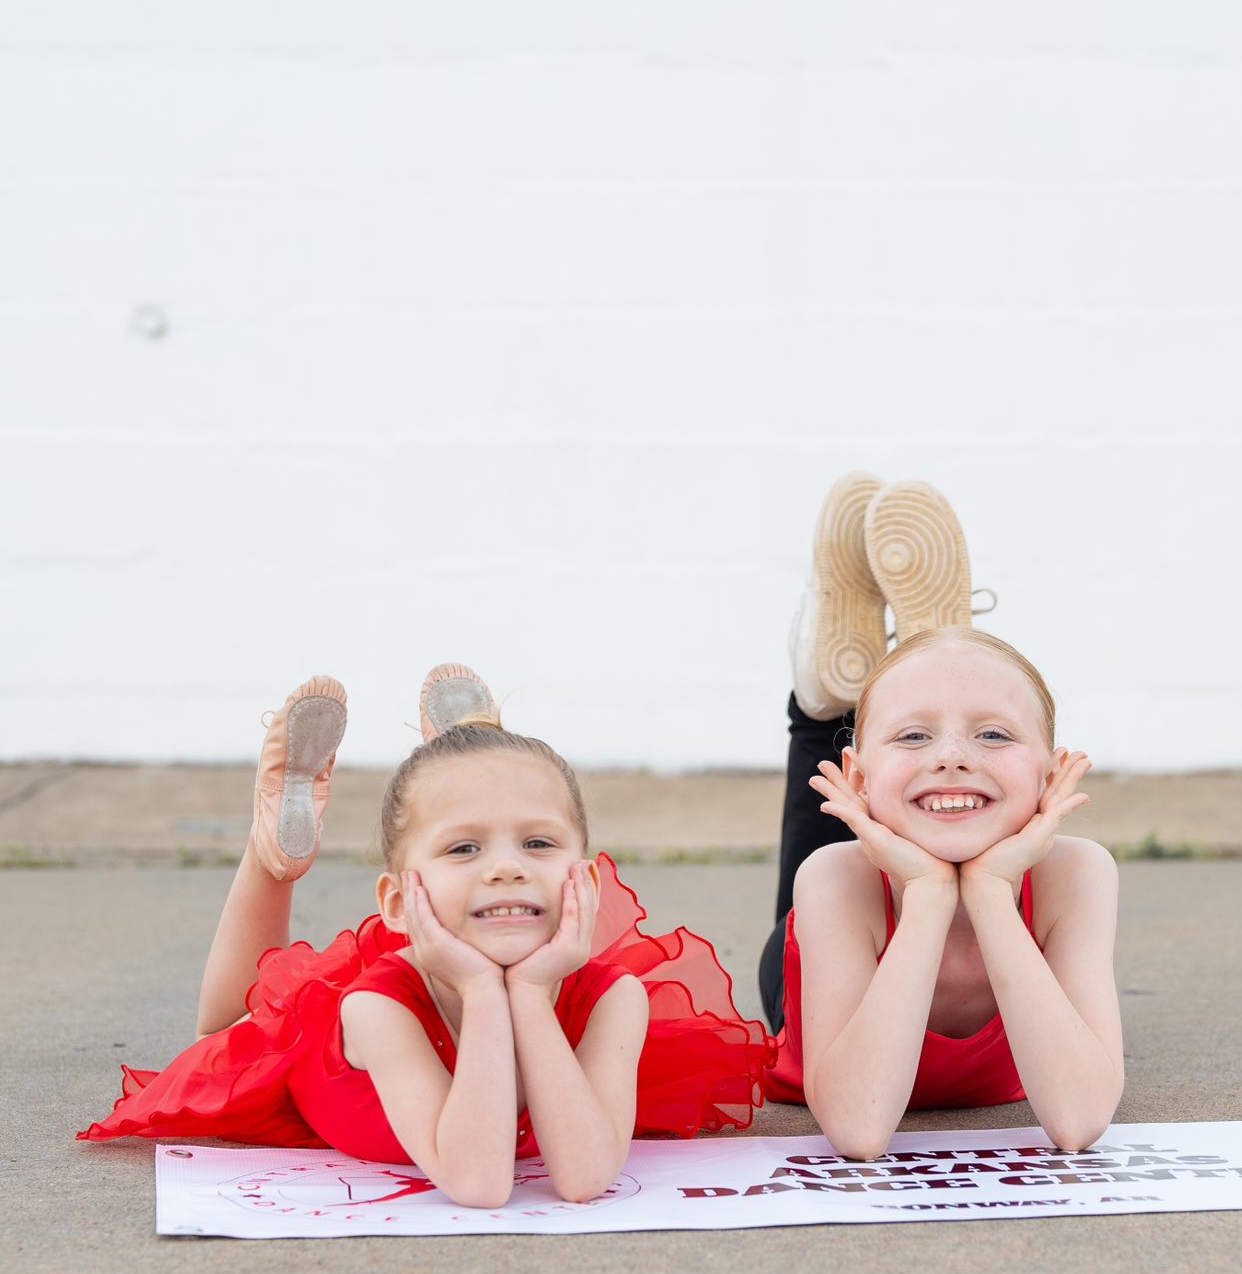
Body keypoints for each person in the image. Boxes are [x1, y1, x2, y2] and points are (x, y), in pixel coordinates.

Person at [81, 667, 770, 1208]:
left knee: (470, 825)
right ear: (397, 903)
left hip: (464, 945)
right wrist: (478, 985)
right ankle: (272, 857)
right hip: (380, 1021)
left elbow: (586, 1175)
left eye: (536, 841)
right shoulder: (374, 1007)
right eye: (465, 848)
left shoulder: (614, 996)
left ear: (585, 878)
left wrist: (528, 992)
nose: (507, 867)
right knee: (224, 1039)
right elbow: (477, 1181)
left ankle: (467, 757)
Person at [760, 476, 1124, 1159]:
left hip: (904, 829)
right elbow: (860, 1130)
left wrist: (989, 890)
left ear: (1052, 774)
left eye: (993, 736)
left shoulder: (1077, 873)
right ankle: (824, 707)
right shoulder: (836, 878)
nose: (954, 758)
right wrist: (927, 894)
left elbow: (1078, 1122)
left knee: (895, 752)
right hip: (838, 922)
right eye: (918, 736)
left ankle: (927, 656)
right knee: (846, 794)